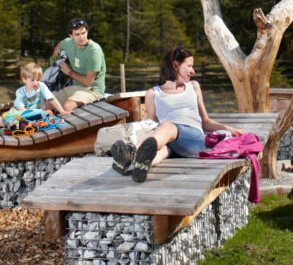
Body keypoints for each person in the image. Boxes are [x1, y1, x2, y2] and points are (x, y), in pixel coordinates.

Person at [111, 45, 246, 183]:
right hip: (170, 142)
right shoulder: (153, 93)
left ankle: (132, 151)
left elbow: (205, 121)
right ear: (175, 65)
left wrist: (229, 129)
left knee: (166, 125)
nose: (193, 71)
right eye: (189, 66)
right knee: (160, 151)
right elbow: (152, 126)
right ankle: (140, 165)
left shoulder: (193, 86)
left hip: (193, 140)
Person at [0, 61, 70, 128]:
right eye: (32, 80)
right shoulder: (20, 92)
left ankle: (17, 124)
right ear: (24, 80)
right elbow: (21, 109)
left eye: (38, 79)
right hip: (19, 114)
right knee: (3, 121)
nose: (36, 82)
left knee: (43, 117)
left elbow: (52, 99)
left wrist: (62, 111)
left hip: (34, 115)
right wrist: (33, 115)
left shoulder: (41, 86)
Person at [51, 17, 107, 107]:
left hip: (92, 90)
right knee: (46, 103)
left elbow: (88, 82)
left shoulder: (94, 51)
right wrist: (55, 64)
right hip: (73, 88)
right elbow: (60, 45)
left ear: (87, 32)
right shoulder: (68, 43)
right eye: (77, 34)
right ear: (71, 36)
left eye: (83, 33)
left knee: (67, 106)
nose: (82, 37)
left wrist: (69, 72)